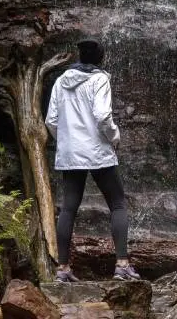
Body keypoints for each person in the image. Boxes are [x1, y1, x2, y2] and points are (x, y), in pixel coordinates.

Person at [45, 39, 140, 282]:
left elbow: (51, 121)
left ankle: (63, 269)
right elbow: (102, 116)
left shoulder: (60, 81)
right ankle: (121, 265)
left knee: (68, 208)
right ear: (100, 58)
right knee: (117, 204)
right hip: (98, 151)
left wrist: (67, 140)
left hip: (70, 153)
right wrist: (115, 136)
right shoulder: (99, 79)